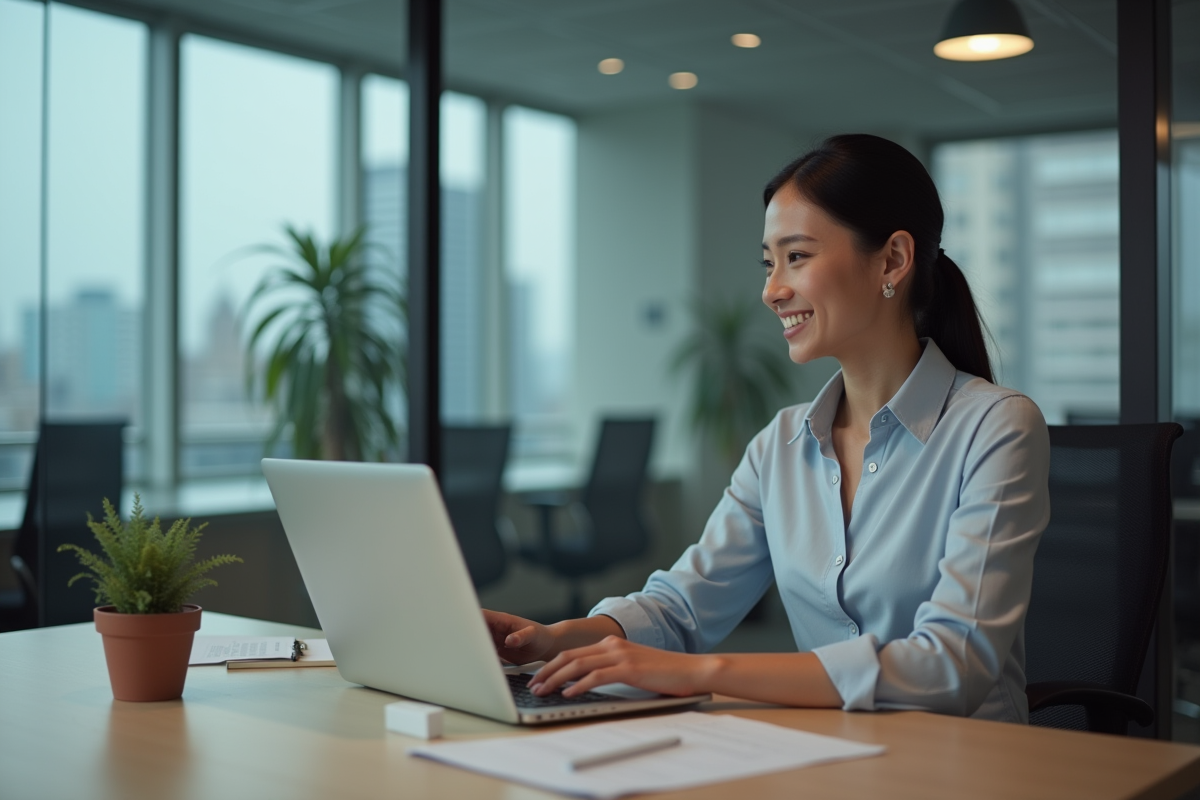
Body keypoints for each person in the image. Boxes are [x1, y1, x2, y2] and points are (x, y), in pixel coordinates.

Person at [484, 133, 1051, 723]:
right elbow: (682, 608)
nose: (771, 289)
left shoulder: (996, 428)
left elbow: (952, 664)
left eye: (797, 257)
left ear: (892, 260)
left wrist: (703, 673)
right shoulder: (778, 447)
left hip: (970, 765)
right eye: (769, 262)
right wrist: (553, 640)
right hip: (834, 756)